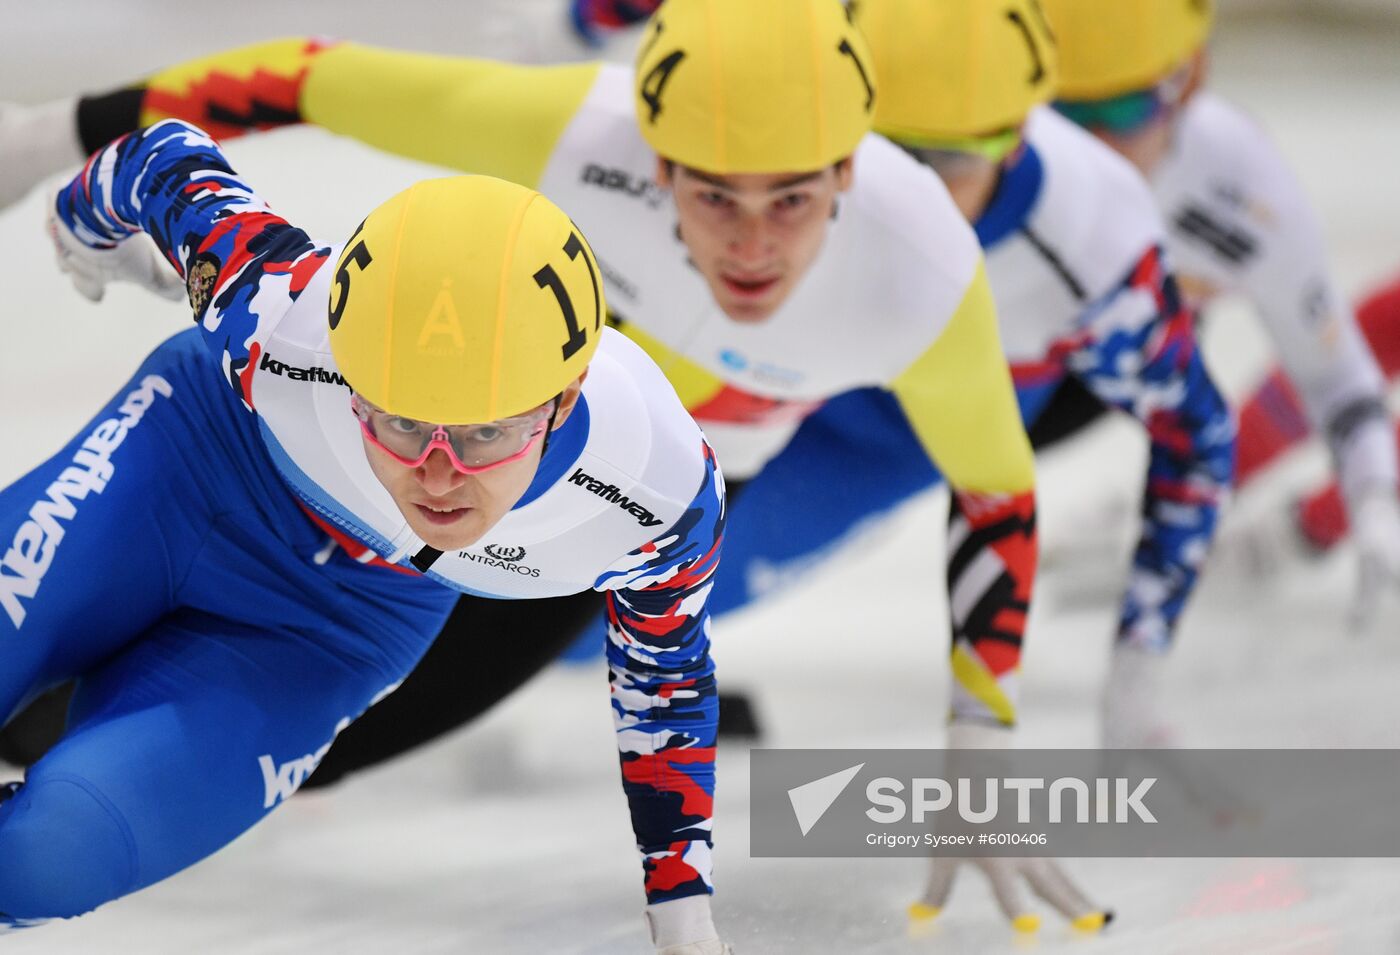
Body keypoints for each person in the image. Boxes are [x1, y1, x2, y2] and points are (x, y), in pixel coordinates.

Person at [0, 0, 1070, 929]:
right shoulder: (335, 291)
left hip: (458, 562)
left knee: (72, 840)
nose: (748, 245)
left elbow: (993, 485)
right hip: (240, 464)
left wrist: (980, 722)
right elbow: (275, 101)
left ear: (846, 169)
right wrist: (56, 158)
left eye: (787, 199)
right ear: (655, 164)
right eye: (709, 194)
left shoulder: (915, 281)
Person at [2, 118, 730, 954]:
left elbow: (666, 681)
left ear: (564, 399)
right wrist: (83, 227)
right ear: (348, 377)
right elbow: (157, 157)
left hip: (332, 622)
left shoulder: (652, 490)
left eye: (486, 433)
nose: (439, 472)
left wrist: (683, 918)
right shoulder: (281, 317)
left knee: (47, 857)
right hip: (189, 466)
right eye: (400, 419)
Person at [697, 0, 1232, 929]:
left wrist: (1135, 675)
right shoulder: (788, 126)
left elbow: (1196, 435)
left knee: (586, 612)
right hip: (783, 370)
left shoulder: (1093, 235)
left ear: (1020, 138)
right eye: (889, 155)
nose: (916, 199)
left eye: (950, 163)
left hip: (883, 439)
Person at [1041, 0, 1400, 625]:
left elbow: (1337, 369)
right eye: (1067, 113)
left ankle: (1275, 524)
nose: (1097, 146)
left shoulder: (1241, 182)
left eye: (1123, 111)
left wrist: (1327, 520)